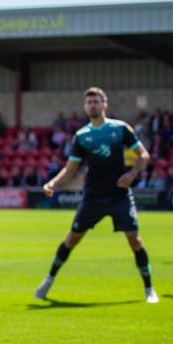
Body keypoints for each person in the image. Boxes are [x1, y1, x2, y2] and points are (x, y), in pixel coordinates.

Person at [36, 87, 157, 303]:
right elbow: (70, 169)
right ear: (85, 107)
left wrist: (133, 173)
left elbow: (143, 155)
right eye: (89, 102)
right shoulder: (82, 136)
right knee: (72, 240)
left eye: (96, 101)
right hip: (92, 197)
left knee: (134, 240)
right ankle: (48, 281)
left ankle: (149, 289)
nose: (92, 104)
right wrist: (52, 183)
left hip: (119, 195)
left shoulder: (120, 129)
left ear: (104, 104)